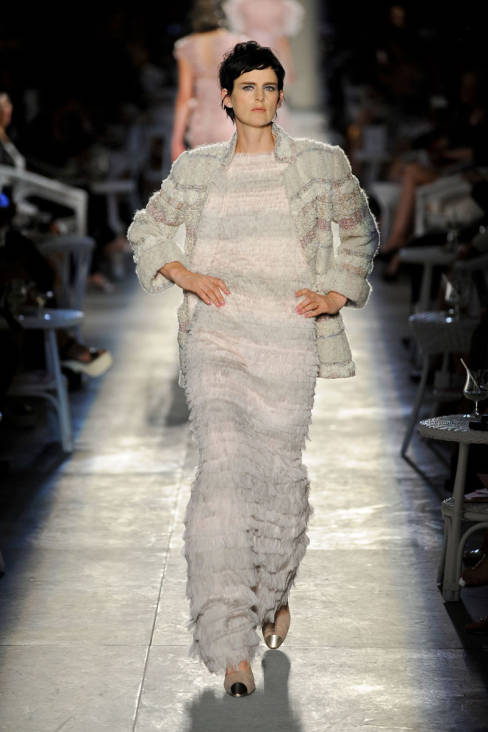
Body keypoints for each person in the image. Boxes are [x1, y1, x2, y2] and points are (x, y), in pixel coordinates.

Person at [127, 41, 379, 697]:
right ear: (227, 98)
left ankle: (271, 594)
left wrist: (336, 292)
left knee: (275, 473)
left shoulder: (320, 163)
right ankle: (229, 644)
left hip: (288, 339)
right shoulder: (196, 168)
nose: (259, 98)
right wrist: (185, 273)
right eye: (248, 87)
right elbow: (147, 228)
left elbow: (360, 231)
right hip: (216, 336)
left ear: (279, 95)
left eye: (269, 87)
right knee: (222, 475)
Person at [171, 0, 248, 160]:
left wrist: (176, 140)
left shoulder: (186, 46)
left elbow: (184, 96)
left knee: (205, 172)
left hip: (200, 124)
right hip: (229, 121)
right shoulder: (237, 43)